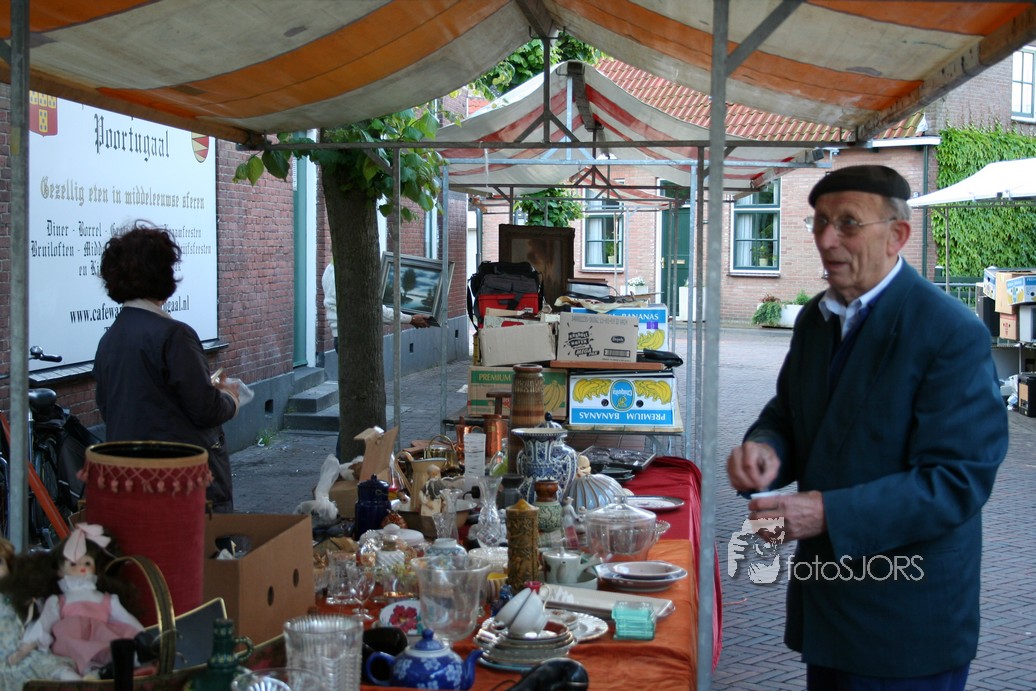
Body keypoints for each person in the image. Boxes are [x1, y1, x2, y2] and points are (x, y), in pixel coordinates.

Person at [726, 165, 1007, 690]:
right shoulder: (816, 319)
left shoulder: (950, 332)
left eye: (848, 223)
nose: (827, 239)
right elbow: (789, 411)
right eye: (819, 222)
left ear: (897, 235)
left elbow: (958, 480)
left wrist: (827, 513)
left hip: (908, 620)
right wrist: (765, 448)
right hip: (829, 606)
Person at [93, 222, 240, 512]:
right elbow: (205, 409)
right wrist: (230, 397)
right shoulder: (174, 336)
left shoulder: (110, 338)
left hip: (131, 480)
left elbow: (111, 408)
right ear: (162, 274)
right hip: (182, 482)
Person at [321, 262, 430, 459]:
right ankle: (349, 460)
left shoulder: (330, 270)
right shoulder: (347, 271)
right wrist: (409, 319)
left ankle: (354, 459)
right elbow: (372, 308)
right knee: (361, 403)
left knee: (358, 400)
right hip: (353, 339)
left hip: (344, 338)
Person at [11, 524, 143, 678]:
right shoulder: (58, 601)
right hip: (71, 643)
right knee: (61, 664)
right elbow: (44, 622)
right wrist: (27, 647)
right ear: (60, 571)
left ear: (95, 568)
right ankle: (78, 676)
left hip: (102, 639)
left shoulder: (107, 599)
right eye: (73, 564)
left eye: (87, 563)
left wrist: (143, 636)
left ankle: (104, 672)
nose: (81, 568)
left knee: (119, 649)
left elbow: (126, 619)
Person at [0, 539, 79, 685]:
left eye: (0, 563)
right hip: (4, 656)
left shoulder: (15, 593)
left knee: (49, 666)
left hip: (23, 648)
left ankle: (80, 684)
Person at [321, 262, 430, 353]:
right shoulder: (350, 274)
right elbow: (374, 311)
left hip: (339, 337)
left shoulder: (329, 270)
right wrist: (411, 319)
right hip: (355, 338)